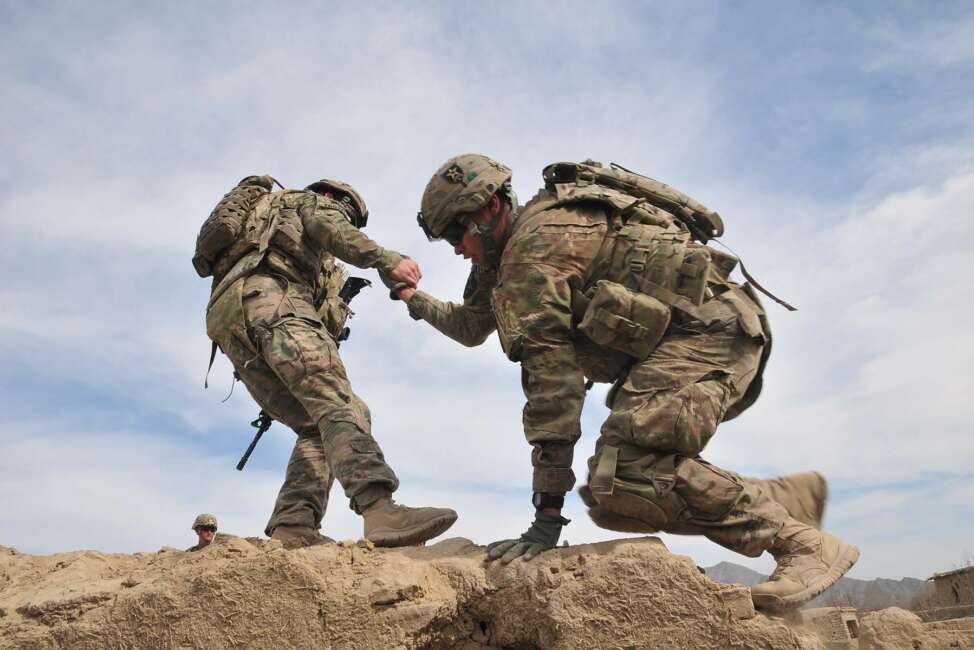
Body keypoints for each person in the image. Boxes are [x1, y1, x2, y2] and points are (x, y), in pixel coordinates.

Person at [395, 154, 858, 611]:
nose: (457, 248)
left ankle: (800, 544)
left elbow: (553, 386)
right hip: (690, 335)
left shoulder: (534, 250)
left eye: (458, 232)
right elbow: (472, 327)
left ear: (491, 208)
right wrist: (414, 298)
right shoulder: (500, 260)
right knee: (610, 497)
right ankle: (784, 499)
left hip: (709, 333)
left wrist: (547, 516)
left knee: (628, 472)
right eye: (446, 239)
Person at [201, 176, 457, 549]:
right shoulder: (307, 203)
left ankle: (294, 525)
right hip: (275, 302)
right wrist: (387, 260)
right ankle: (379, 507)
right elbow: (333, 230)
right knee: (342, 406)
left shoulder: (266, 222)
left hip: (228, 322)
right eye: (348, 214)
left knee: (313, 425)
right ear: (338, 201)